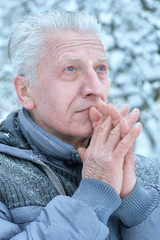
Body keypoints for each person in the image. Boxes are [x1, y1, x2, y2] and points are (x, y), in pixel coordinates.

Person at [0, 10, 159, 240]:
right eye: (70, 69)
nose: (94, 88)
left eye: (100, 69)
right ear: (25, 91)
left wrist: (137, 205)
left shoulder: (142, 171)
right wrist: (95, 195)